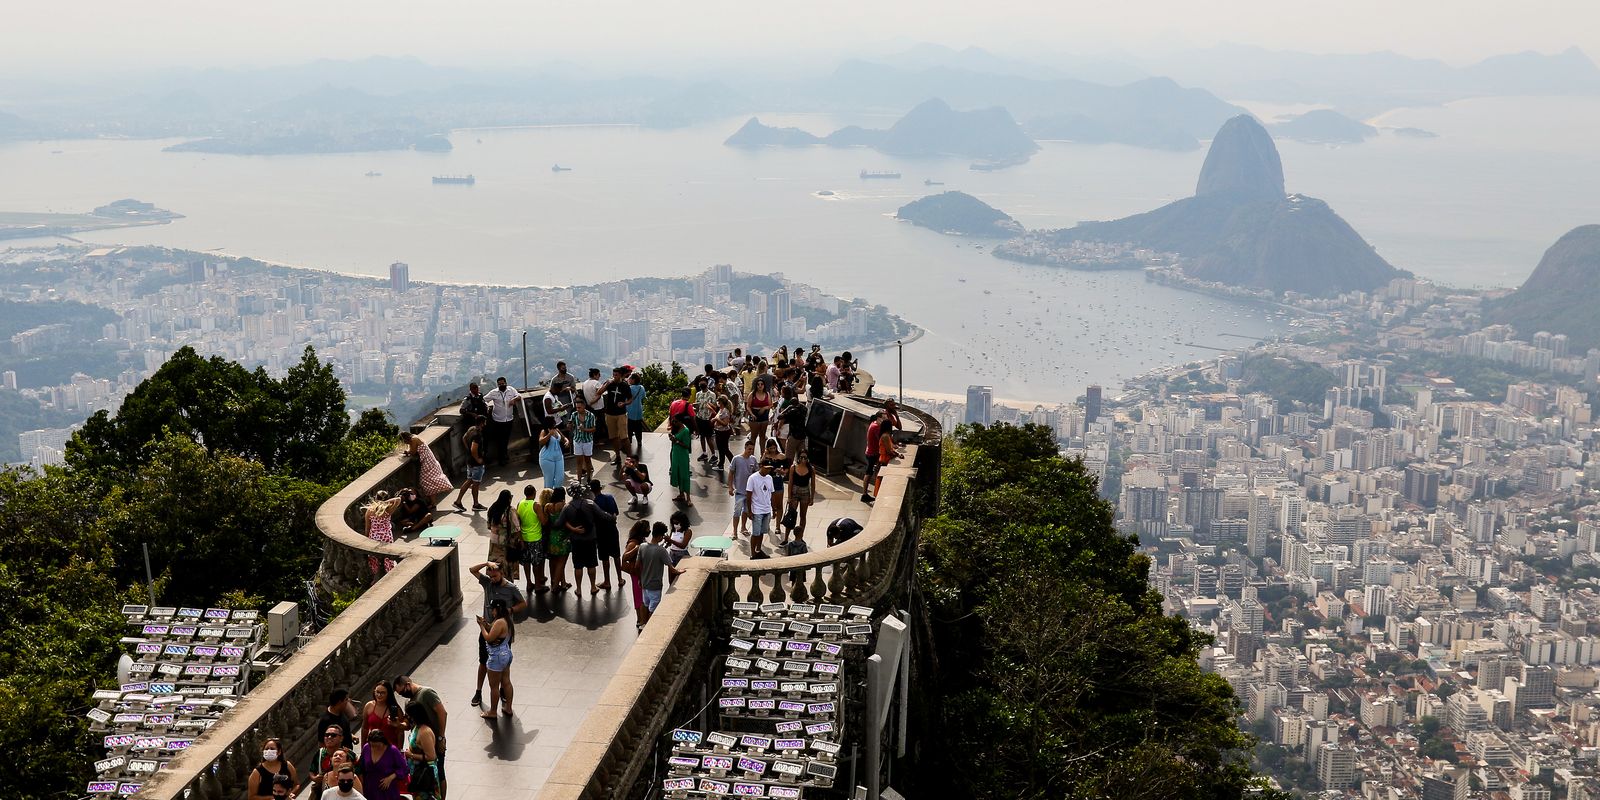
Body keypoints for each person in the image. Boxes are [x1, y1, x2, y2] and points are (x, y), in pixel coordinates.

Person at [467, 561, 526, 709]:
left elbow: (523, 604)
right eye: (490, 576)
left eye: (495, 575)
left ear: (502, 574)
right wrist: (486, 563)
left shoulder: (511, 588)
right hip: (487, 628)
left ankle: (502, 690)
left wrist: (510, 610)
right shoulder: (487, 583)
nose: (492, 578)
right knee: (483, 662)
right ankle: (478, 691)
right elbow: (472, 570)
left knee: (503, 664)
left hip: (502, 633)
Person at [392, 677, 447, 798]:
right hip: (418, 745)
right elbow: (408, 724)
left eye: (402, 692)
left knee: (439, 773)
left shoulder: (426, 693)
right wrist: (398, 725)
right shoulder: (408, 702)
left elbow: (442, 713)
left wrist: (441, 738)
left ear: (407, 684)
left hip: (434, 740)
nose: (403, 695)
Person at [623, 522, 683, 625]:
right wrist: (680, 571)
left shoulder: (642, 546)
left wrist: (640, 579)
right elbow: (672, 568)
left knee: (644, 603)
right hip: (655, 585)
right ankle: (650, 626)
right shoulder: (661, 551)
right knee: (653, 608)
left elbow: (637, 565)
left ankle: (642, 622)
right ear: (660, 536)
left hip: (644, 583)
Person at [560, 484, 603, 596]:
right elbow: (602, 515)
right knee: (591, 564)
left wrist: (572, 528)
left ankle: (578, 589)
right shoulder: (590, 503)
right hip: (590, 538)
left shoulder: (567, 507)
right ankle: (593, 587)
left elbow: (558, 523)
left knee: (578, 565)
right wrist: (612, 517)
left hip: (576, 540)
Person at [476, 598, 515, 718]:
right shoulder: (506, 620)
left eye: (492, 609)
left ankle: (493, 712)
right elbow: (494, 632)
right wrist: (486, 624)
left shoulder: (499, 622)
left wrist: (481, 627)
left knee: (494, 686)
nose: (491, 612)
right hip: (506, 654)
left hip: (497, 657)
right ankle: (508, 708)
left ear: (497, 609)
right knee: (506, 682)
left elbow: (488, 638)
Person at [400, 432, 453, 505]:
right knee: (430, 480)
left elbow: (413, 451)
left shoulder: (413, 440)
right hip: (429, 460)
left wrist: (407, 452)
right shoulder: (415, 437)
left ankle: (447, 492)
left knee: (427, 480)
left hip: (427, 462)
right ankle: (433, 502)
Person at [402, 701, 441, 800]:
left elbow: (431, 757)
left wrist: (410, 755)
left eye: (408, 715)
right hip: (417, 773)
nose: (407, 718)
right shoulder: (416, 728)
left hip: (425, 776)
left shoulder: (424, 732)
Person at [589, 479, 623, 590]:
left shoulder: (593, 504)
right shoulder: (609, 497)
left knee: (605, 558)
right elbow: (615, 513)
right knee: (616, 555)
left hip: (600, 533)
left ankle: (607, 581)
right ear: (600, 487)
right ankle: (620, 579)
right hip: (612, 530)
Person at [356, 728, 408, 800]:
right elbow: (361, 767)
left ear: (383, 742)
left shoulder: (392, 750)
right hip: (369, 788)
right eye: (372, 746)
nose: (374, 748)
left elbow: (404, 768)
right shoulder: (366, 748)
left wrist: (391, 777)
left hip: (387, 790)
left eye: (378, 746)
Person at [515, 484, 548, 594]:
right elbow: (543, 522)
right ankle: (538, 585)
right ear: (534, 493)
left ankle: (529, 583)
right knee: (536, 563)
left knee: (526, 562)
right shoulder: (536, 505)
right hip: (535, 537)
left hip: (524, 538)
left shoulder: (520, 504)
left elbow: (518, 521)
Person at [485, 489, 522, 583]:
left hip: (494, 543)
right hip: (506, 544)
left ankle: (495, 583)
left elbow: (489, 526)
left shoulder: (492, 509)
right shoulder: (510, 511)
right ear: (509, 499)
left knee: (495, 565)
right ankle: (506, 587)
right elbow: (516, 529)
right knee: (506, 567)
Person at [451, 419, 486, 513]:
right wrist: (477, 458)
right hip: (476, 464)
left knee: (469, 480)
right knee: (476, 484)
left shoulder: (471, 429)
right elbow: (474, 449)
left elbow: (463, 438)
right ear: (482, 423)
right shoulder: (477, 435)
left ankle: (458, 501)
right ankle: (476, 504)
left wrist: (468, 451)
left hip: (469, 462)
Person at [484, 376, 520, 467]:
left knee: (506, 439)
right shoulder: (494, 392)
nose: (501, 385)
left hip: (509, 419)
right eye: (499, 384)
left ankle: (504, 456)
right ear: (497, 385)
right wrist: (487, 407)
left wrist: (514, 400)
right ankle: (502, 458)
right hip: (498, 420)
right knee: (500, 440)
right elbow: (484, 399)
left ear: (506, 383)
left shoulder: (511, 390)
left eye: (503, 383)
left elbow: (519, 396)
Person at [727, 439, 758, 539]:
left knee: (746, 510)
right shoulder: (736, 459)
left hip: (749, 492)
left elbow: (756, 473)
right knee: (737, 511)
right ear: (745, 447)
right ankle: (734, 531)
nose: (750, 451)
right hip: (739, 491)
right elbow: (731, 473)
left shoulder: (753, 459)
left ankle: (743, 527)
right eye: (749, 449)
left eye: (752, 449)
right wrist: (730, 487)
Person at [745, 459, 777, 559]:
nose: (768, 470)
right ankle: (752, 553)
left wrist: (773, 509)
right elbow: (749, 496)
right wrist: (750, 511)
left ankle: (758, 550)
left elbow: (771, 494)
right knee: (755, 533)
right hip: (757, 510)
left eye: (769, 469)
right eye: (766, 468)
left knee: (762, 532)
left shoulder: (769, 478)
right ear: (761, 466)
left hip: (766, 510)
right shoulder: (753, 478)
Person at [362, 491, 398, 576]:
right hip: (386, 536)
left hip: (374, 536)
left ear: (375, 498)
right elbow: (398, 499)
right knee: (387, 556)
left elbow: (367, 528)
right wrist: (385, 502)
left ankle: (377, 575)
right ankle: (388, 572)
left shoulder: (370, 510)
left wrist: (365, 539)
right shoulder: (388, 510)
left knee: (374, 558)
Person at [361, 680, 404, 752]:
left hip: (391, 749)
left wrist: (399, 751)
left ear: (388, 694)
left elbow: (400, 732)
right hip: (373, 748)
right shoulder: (369, 706)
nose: (379, 695)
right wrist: (363, 748)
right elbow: (365, 728)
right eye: (377, 692)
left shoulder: (395, 709)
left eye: (382, 693)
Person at [621, 521, 650, 629]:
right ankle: (640, 619)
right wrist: (636, 548)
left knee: (642, 596)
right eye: (647, 528)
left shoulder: (641, 540)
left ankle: (642, 618)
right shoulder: (633, 543)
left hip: (641, 571)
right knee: (639, 596)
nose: (649, 531)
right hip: (636, 573)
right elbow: (624, 557)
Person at [309, 725, 355, 791]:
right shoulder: (320, 753)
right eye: (327, 735)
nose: (329, 737)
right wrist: (314, 778)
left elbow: (359, 774)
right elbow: (312, 771)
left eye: (333, 735)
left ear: (341, 738)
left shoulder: (349, 754)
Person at [601, 367, 632, 463]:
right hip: (610, 413)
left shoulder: (625, 385)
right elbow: (599, 392)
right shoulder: (610, 384)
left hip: (621, 414)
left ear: (621, 375)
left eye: (616, 375)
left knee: (624, 437)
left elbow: (630, 399)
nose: (614, 377)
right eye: (613, 375)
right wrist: (607, 384)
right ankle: (617, 456)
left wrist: (624, 403)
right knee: (613, 436)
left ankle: (630, 457)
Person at [543, 487, 571, 592]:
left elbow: (545, 521)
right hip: (562, 536)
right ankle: (555, 586)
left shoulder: (547, 506)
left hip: (552, 536)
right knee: (561, 562)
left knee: (554, 560)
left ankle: (561, 582)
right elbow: (566, 521)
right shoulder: (563, 506)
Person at [785, 452, 815, 540]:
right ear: (798, 458)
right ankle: (786, 538)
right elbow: (790, 482)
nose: (803, 459)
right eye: (801, 457)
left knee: (803, 516)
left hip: (805, 492)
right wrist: (789, 496)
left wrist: (812, 498)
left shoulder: (811, 469)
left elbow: (813, 484)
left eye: (805, 458)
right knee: (791, 514)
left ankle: (799, 537)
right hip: (794, 492)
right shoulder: (793, 468)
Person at [570, 397, 597, 485]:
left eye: (579, 407)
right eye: (577, 407)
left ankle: (589, 477)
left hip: (587, 441)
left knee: (587, 460)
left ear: (584, 406)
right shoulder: (574, 415)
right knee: (579, 462)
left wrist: (584, 429)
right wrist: (570, 425)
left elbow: (593, 429)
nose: (577, 409)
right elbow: (571, 426)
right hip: (577, 440)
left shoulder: (591, 416)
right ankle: (579, 480)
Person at [669, 414, 694, 506]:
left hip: (682, 454)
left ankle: (688, 498)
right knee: (677, 473)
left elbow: (687, 445)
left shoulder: (686, 431)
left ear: (680, 421)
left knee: (684, 474)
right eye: (673, 421)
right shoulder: (676, 428)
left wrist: (677, 441)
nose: (674, 423)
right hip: (675, 453)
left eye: (676, 421)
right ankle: (681, 494)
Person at [538, 416, 568, 489]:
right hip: (547, 458)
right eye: (553, 421)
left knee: (560, 478)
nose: (555, 422)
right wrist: (549, 434)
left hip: (558, 457)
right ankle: (548, 497)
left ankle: (557, 494)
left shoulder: (557, 430)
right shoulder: (544, 431)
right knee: (549, 480)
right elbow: (541, 441)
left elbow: (564, 438)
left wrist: (567, 441)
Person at [860, 411, 884, 504]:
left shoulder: (873, 424)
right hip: (873, 454)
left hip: (870, 452)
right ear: (878, 417)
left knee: (870, 472)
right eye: (883, 417)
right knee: (870, 472)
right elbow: (881, 440)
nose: (885, 419)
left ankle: (866, 494)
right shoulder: (876, 427)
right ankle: (865, 494)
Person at [695, 376, 719, 465]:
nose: (702, 384)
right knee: (702, 436)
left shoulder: (712, 394)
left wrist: (710, 405)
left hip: (708, 419)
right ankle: (704, 453)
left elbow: (716, 407)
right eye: (700, 382)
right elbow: (696, 405)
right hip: (700, 417)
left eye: (703, 382)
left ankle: (713, 455)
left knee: (709, 437)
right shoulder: (698, 394)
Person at [666, 510, 692, 578]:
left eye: (677, 523)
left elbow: (683, 545)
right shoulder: (673, 530)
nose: (675, 525)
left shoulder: (687, 531)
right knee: (671, 576)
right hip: (672, 554)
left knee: (681, 577)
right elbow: (670, 543)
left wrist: (671, 540)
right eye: (674, 523)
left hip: (681, 555)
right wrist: (667, 541)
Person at [625, 372, 647, 453]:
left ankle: (629, 442)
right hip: (639, 410)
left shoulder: (629, 388)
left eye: (630, 378)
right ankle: (639, 441)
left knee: (630, 427)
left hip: (630, 410)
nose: (628, 379)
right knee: (638, 428)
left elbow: (626, 398)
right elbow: (643, 396)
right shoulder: (641, 388)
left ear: (633, 380)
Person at [712, 394, 735, 468]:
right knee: (721, 449)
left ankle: (734, 464)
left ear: (721, 402)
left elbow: (725, 423)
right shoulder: (721, 410)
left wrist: (716, 419)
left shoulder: (725, 411)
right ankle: (721, 464)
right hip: (719, 431)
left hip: (723, 433)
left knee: (725, 449)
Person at [747, 380, 772, 444]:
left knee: (762, 436)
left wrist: (764, 408)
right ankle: (751, 453)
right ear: (756, 386)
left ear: (764, 385)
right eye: (758, 384)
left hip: (764, 416)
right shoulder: (752, 394)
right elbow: (748, 406)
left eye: (761, 384)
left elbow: (770, 405)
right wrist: (752, 414)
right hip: (754, 415)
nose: (760, 386)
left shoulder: (767, 394)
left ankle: (762, 453)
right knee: (753, 436)